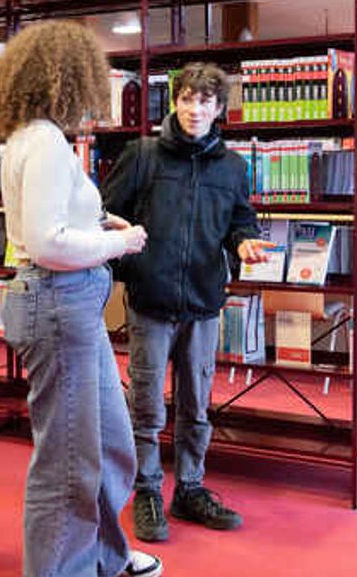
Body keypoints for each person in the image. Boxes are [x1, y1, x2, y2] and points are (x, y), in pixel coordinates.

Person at [0, 20, 162, 577]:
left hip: (67, 306)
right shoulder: (44, 142)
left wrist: (95, 217)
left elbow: (52, 218)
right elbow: (44, 241)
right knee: (67, 460)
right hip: (58, 304)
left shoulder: (32, 138)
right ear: (66, 79)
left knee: (109, 443)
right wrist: (120, 241)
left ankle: (103, 554)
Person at [102, 62, 272, 543]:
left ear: (219, 109)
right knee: (147, 406)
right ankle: (148, 491)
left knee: (196, 406)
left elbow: (242, 220)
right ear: (174, 102)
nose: (195, 109)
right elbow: (107, 216)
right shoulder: (143, 156)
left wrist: (244, 242)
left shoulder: (234, 167)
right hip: (151, 301)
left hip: (203, 302)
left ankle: (190, 488)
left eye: (205, 101)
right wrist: (128, 256)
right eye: (187, 99)